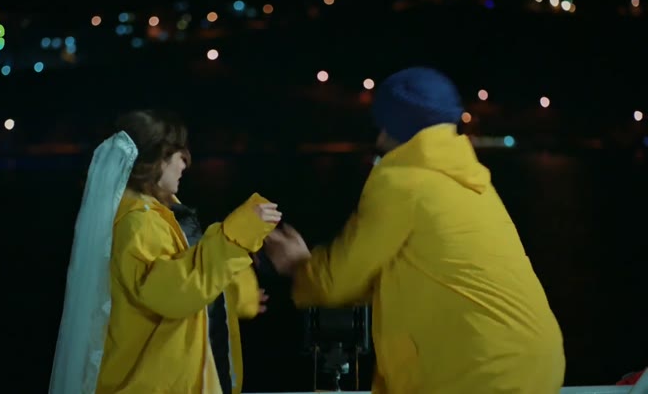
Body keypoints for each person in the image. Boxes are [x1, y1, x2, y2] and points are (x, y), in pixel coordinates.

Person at [265, 67, 566, 393]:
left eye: (380, 125)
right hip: (534, 364)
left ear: (391, 127)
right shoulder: (470, 182)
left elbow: (339, 280)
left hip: (481, 372)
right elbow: (403, 273)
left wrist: (297, 265)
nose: (378, 138)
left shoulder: (401, 183)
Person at [49, 110, 280, 394]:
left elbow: (187, 279)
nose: (186, 162)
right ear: (154, 161)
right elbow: (176, 292)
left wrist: (239, 294)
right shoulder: (138, 223)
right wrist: (238, 235)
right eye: (177, 153)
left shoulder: (158, 216)